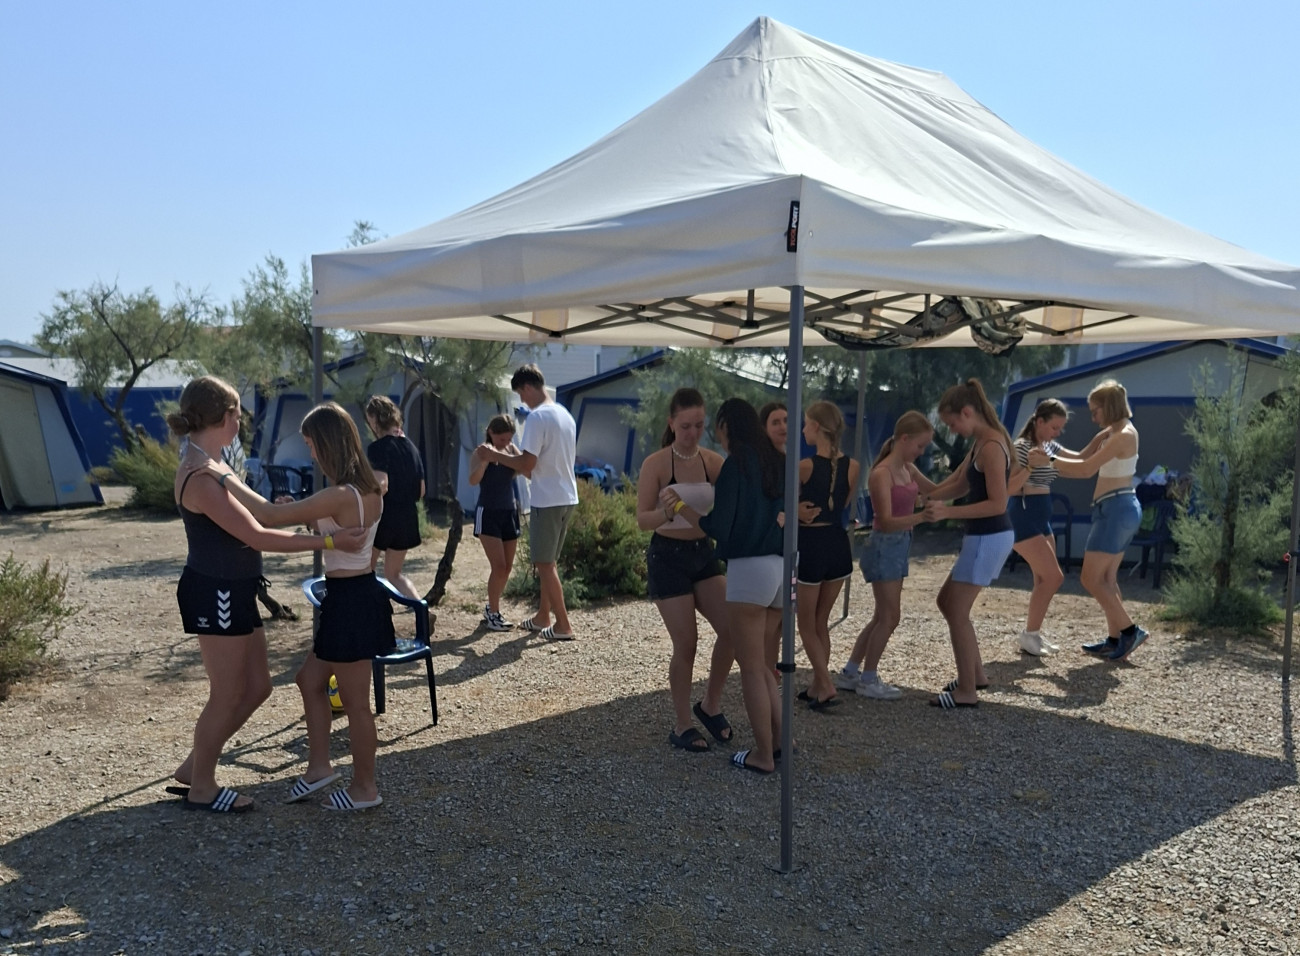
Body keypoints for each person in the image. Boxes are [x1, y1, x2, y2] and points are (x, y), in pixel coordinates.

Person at [167, 377, 368, 813]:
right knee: (226, 692)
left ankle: (194, 766)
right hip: (216, 591)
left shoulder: (214, 464)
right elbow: (258, 535)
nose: (240, 423)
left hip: (236, 589)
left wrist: (293, 511)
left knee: (258, 686)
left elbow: (262, 515)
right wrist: (329, 542)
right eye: (238, 415)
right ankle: (202, 787)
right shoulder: (201, 475)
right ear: (226, 417)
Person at [217, 401, 394, 811]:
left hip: (350, 602)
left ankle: (365, 789)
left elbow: (265, 515)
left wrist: (224, 475)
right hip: (354, 596)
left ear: (327, 444)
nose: (310, 453)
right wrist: (307, 515)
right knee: (308, 680)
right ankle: (319, 768)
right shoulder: (368, 488)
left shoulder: (338, 494)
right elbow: (334, 523)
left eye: (312, 444)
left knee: (356, 704)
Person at [663, 398, 783, 774]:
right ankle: (782, 741)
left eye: (716, 426)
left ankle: (763, 755)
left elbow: (717, 526)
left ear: (728, 426)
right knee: (765, 666)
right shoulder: (777, 460)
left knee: (751, 669)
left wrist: (680, 507)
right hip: (781, 568)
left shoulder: (737, 464)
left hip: (749, 569)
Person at [635, 389, 734, 752]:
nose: (693, 433)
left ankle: (710, 704)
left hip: (703, 553)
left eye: (699, 425)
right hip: (668, 556)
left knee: (733, 629)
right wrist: (667, 512)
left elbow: (730, 507)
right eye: (686, 426)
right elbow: (642, 519)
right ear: (671, 423)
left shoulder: (714, 462)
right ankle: (682, 724)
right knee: (687, 642)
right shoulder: (657, 463)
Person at [1028, 379, 1147, 661]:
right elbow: (1080, 461)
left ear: (1109, 406)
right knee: (1106, 578)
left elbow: (1085, 469)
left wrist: (1048, 461)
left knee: (1090, 578)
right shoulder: (1117, 432)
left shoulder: (1122, 435)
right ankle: (1115, 640)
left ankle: (1130, 631)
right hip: (1116, 508)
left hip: (1115, 510)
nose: (1093, 417)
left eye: (1095, 411)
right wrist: (1050, 454)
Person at [925, 379, 1016, 709]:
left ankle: (966, 691)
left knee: (957, 610)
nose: (953, 431)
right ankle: (975, 676)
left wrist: (948, 511)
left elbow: (998, 504)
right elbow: (960, 484)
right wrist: (928, 496)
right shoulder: (981, 442)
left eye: (952, 424)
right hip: (982, 536)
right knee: (946, 602)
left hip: (989, 536)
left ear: (967, 412)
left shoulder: (991, 446)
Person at [835, 411, 938, 699]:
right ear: (903, 439)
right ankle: (868, 679)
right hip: (885, 546)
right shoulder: (882, 473)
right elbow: (886, 521)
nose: (921, 452)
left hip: (898, 545)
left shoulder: (908, 468)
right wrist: (921, 517)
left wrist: (968, 472)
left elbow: (938, 490)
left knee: (882, 615)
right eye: (919, 445)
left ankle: (851, 672)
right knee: (890, 617)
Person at [478, 364, 579, 641]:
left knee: (544, 564)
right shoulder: (565, 415)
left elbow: (527, 464)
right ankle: (543, 616)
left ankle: (563, 625)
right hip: (567, 496)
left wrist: (494, 456)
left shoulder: (537, 417)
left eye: (521, 394)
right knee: (550, 563)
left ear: (527, 387)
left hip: (547, 499)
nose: (522, 400)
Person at [1007, 399, 1089, 657]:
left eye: (1060, 428)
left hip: (1041, 518)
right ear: (1039, 422)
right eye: (1054, 427)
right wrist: (1031, 466)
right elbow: (1008, 488)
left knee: (1042, 579)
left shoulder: (1050, 446)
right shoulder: (1022, 447)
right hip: (1023, 516)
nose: (1057, 433)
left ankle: (1034, 634)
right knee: (1054, 577)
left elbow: (1081, 460)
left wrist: (1103, 439)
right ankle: (1029, 635)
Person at [794, 401, 860, 709]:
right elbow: (842, 505)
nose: (803, 430)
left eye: (806, 423)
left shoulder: (804, 467)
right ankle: (817, 686)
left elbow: (788, 506)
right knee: (821, 620)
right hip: (838, 545)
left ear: (817, 427)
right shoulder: (854, 466)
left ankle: (825, 682)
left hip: (812, 544)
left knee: (806, 623)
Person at [365, 396, 425, 600]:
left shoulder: (378, 448)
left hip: (384, 516)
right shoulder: (412, 448)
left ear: (375, 419)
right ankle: (421, 609)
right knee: (394, 574)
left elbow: (381, 484)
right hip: (407, 517)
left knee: (365, 570)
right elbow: (421, 490)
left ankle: (369, 613)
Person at [469, 414, 522, 631]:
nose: (505, 443)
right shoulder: (481, 451)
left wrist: (507, 455)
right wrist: (485, 461)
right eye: (502, 439)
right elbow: (473, 480)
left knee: (507, 568)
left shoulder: (511, 449)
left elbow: (525, 469)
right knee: (498, 566)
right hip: (488, 512)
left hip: (509, 512)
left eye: (509, 439)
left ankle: (491, 606)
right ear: (491, 433)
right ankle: (494, 614)